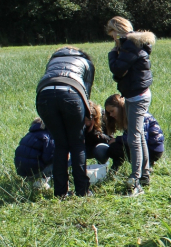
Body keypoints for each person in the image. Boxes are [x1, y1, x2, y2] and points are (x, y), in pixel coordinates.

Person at [35, 46, 95, 198]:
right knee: (77, 143)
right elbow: (86, 90)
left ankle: (60, 192)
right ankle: (83, 190)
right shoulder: (86, 62)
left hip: (44, 96)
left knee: (60, 144)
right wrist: (88, 114)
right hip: (71, 94)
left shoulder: (53, 60)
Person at [107, 16, 155, 196]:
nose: (112, 38)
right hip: (135, 94)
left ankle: (135, 181)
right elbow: (121, 73)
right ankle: (145, 174)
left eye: (112, 34)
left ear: (117, 30)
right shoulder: (133, 44)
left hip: (137, 97)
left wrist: (112, 54)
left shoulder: (129, 45)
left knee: (133, 137)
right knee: (139, 134)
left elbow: (117, 69)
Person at [103, 94, 165, 173]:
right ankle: (115, 169)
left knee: (114, 148)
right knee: (116, 146)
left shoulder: (135, 115)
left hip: (152, 150)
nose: (111, 115)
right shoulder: (129, 114)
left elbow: (140, 138)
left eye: (112, 111)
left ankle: (145, 166)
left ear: (120, 107)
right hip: (151, 147)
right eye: (109, 113)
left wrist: (118, 139)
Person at [14, 118, 55, 189]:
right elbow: (48, 158)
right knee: (66, 158)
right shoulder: (48, 135)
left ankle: (32, 181)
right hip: (35, 172)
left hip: (22, 172)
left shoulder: (29, 135)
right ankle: (41, 182)